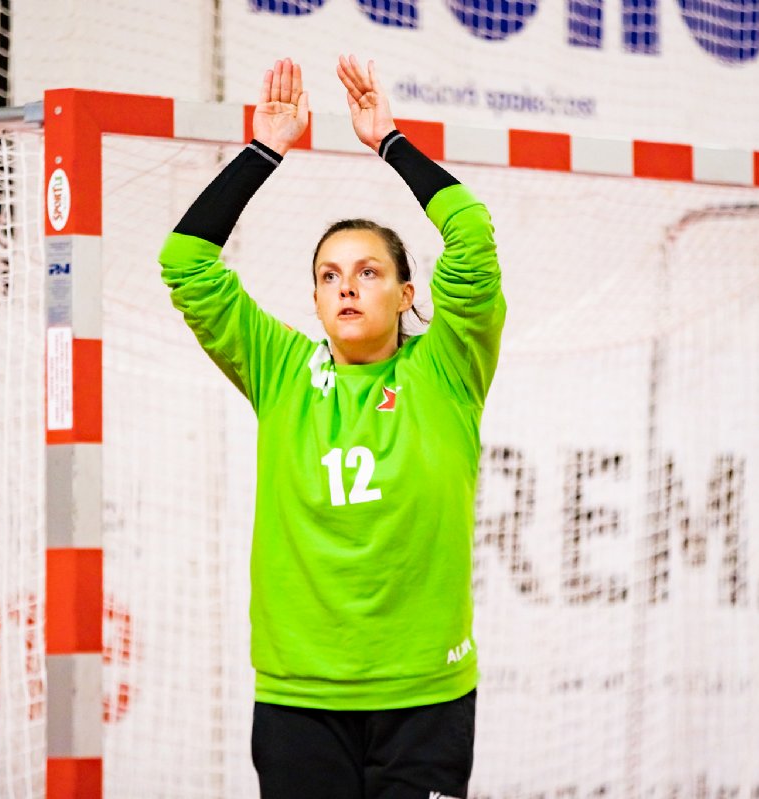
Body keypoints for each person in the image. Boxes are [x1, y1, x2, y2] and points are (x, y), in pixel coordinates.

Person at [158, 54, 505, 799]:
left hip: (426, 695)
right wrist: (264, 149)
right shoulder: (280, 367)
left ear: (407, 292)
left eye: (369, 271)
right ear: (315, 301)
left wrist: (390, 142)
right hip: (300, 699)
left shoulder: (448, 366)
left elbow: (472, 238)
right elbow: (186, 260)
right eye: (329, 275)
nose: (347, 285)